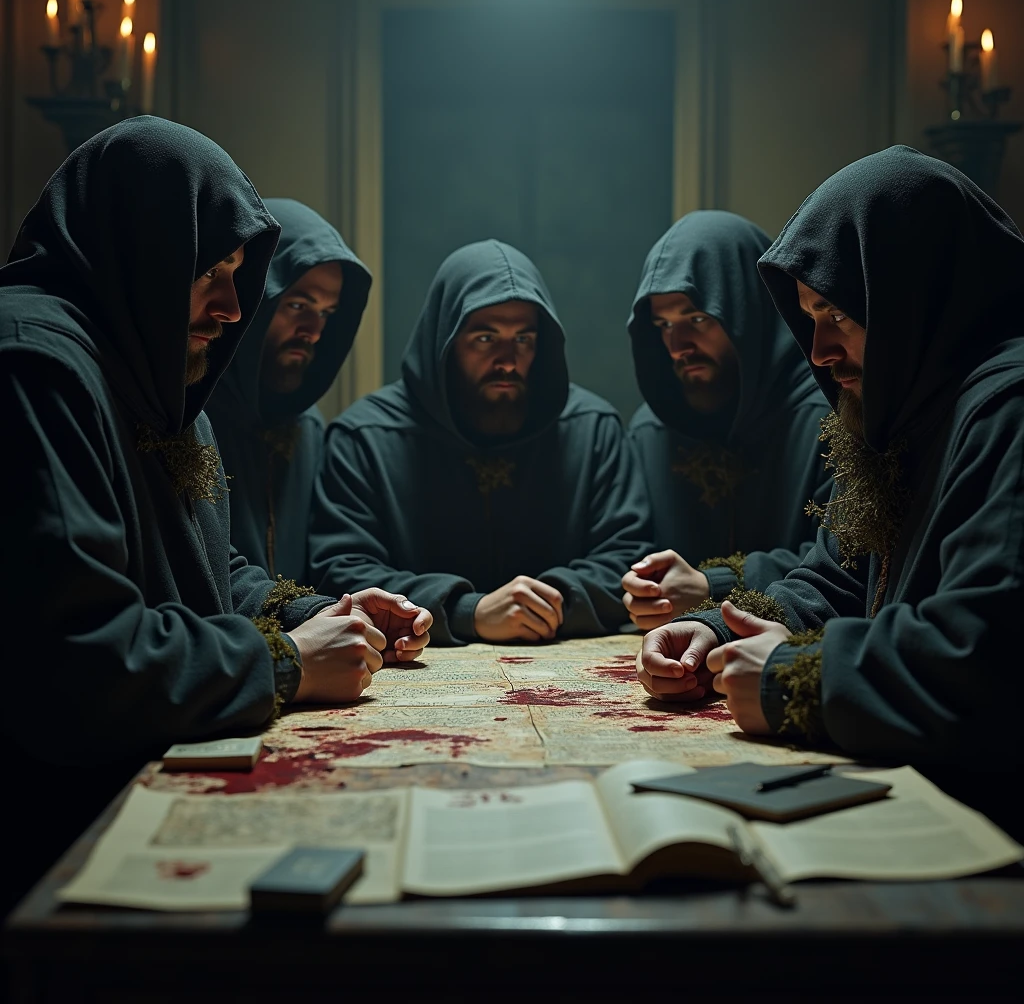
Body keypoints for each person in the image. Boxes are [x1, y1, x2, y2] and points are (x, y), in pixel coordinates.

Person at [0, 118, 429, 910]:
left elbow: (205, 569)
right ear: (142, 252)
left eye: (239, 273)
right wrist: (287, 660)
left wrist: (315, 613)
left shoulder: (151, 359)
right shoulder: (34, 365)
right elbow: (80, 662)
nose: (235, 308)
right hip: (56, 851)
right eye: (208, 273)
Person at [636, 147, 1024, 831]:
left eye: (838, 315)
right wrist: (709, 633)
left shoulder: (1007, 409)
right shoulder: (911, 406)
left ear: (913, 293)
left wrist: (796, 678)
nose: (817, 350)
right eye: (809, 318)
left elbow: (985, 657)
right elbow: (837, 577)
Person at [311, 239, 652, 644]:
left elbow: (631, 560)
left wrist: (543, 604)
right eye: (486, 339)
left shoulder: (593, 430)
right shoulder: (365, 438)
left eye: (523, 339)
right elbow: (340, 570)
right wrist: (465, 611)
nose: (507, 359)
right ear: (445, 341)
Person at [621, 211, 831, 630]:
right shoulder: (651, 431)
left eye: (697, 319)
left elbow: (842, 568)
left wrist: (713, 584)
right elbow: (625, 550)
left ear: (750, 310)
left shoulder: (827, 419)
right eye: (663, 325)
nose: (678, 346)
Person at [206, 198, 371, 583]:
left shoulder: (308, 429)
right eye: (298, 304)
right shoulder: (189, 418)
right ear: (254, 297)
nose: (313, 330)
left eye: (328, 313)